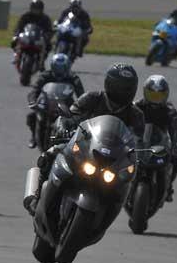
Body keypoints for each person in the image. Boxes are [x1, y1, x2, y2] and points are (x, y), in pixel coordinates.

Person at [24, 63, 144, 214]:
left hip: (113, 159)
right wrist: (63, 126)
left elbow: (137, 139)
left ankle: (115, 209)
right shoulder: (92, 98)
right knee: (50, 154)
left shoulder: (136, 115)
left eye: (126, 88)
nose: (122, 91)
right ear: (109, 84)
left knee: (129, 177)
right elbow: (70, 115)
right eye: (118, 86)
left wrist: (139, 153)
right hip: (85, 149)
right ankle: (36, 196)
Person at [135, 75, 177, 202]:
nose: (155, 100)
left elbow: (175, 133)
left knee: (176, 162)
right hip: (140, 143)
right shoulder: (137, 106)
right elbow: (126, 125)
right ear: (145, 93)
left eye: (159, 96)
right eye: (152, 95)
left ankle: (168, 188)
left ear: (165, 95)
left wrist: (175, 150)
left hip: (160, 143)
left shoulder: (170, 111)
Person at [25, 53, 85, 148]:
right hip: (48, 103)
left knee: (77, 122)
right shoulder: (45, 75)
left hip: (66, 105)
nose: (59, 70)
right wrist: (33, 101)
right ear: (52, 66)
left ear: (67, 67)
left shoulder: (73, 78)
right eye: (57, 67)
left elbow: (81, 94)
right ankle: (34, 137)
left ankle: (73, 143)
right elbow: (35, 90)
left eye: (62, 68)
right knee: (31, 117)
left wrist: (82, 105)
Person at [12, 0, 54, 68]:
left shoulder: (45, 18)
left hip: (39, 38)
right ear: (31, 8)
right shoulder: (25, 16)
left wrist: (47, 36)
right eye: (34, 8)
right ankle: (16, 56)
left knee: (48, 46)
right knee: (14, 41)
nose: (36, 10)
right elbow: (19, 26)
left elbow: (49, 29)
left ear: (41, 9)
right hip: (27, 36)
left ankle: (42, 61)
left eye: (38, 8)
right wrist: (17, 33)